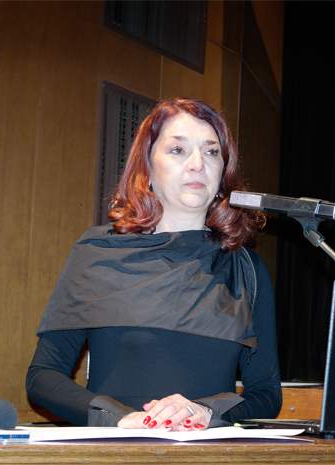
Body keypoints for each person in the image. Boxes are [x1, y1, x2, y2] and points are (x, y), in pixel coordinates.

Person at [26, 98, 282, 430]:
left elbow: (266, 394)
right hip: (113, 447)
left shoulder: (247, 268)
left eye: (211, 152)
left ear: (223, 172)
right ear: (147, 165)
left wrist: (207, 411)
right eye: (178, 150)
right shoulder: (98, 252)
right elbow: (43, 377)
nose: (197, 164)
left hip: (206, 451)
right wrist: (119, 418)